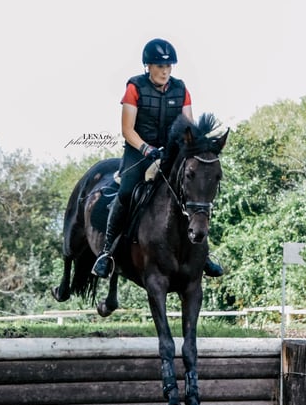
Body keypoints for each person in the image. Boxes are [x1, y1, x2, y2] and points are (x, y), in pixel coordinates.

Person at [91, 38, 224, 279]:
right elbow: (127, 130)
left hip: (171, 152)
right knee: (126, 192)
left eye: (168, 67)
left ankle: (203, 255)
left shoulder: (181, 90)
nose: (165, 71)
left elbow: (188, 127)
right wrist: (145, 149)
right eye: (159, 66)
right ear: (148, 67)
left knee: (194, 192)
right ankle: (107, 253)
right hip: (138, 151)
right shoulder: (134, 88)